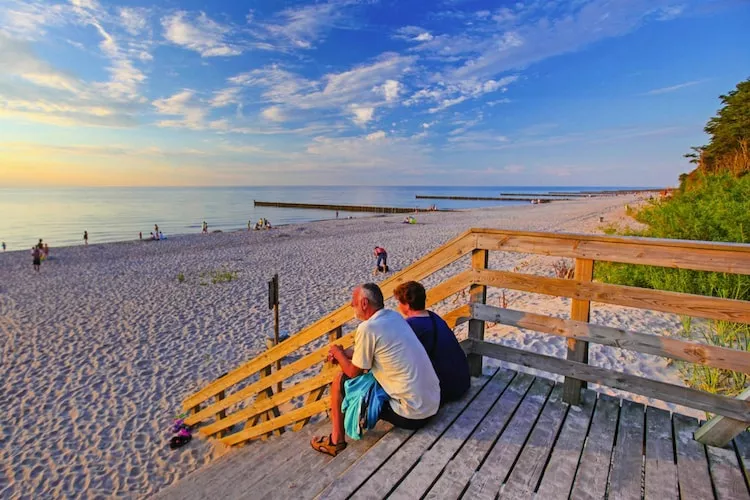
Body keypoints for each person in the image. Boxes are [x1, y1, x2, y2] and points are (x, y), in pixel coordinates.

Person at [310, 283, 440, 456]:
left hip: (413, 414)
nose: (351, 305)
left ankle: (336, 441)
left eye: (354, 301)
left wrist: (337, 353)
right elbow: (372, 353)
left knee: (341, 379)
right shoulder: (393, 317)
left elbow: (352, 372)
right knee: (366, 377)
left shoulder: (367, 328)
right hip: (432, 402)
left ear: (364, 303)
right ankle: (338, 436)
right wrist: (344, 354)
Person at [394, 281, 470, 405]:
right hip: (463, 381)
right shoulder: (433, 316)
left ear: (407, 305)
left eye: (399, 302)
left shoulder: (411, 326)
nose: (398, 306)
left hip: (448, 389)